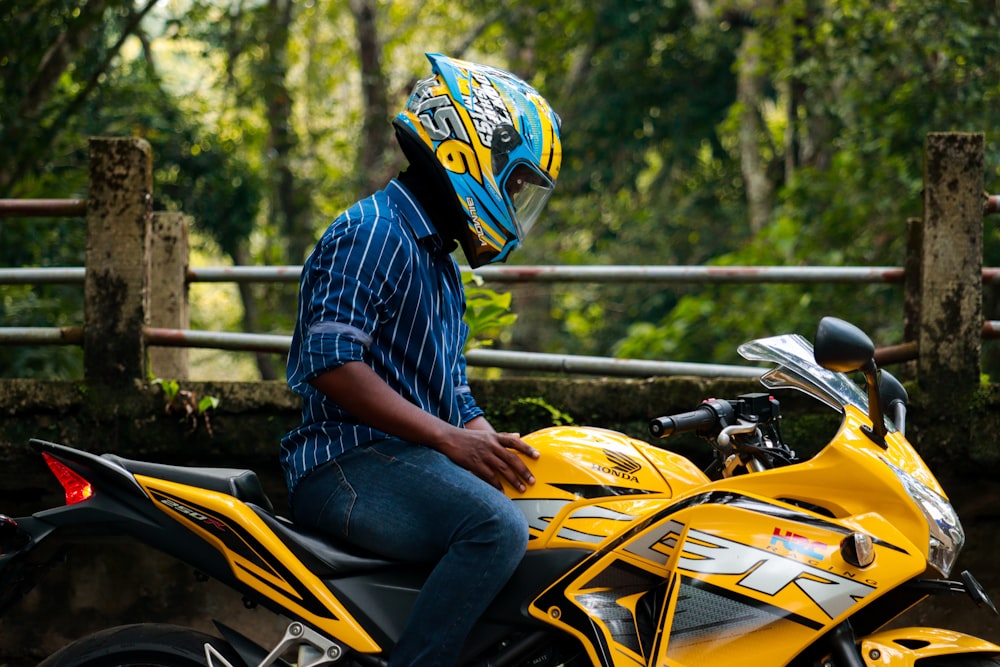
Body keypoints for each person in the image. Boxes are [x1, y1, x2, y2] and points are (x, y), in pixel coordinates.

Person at [281, 52, 562, 666]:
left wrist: (488, 443)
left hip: (402, 460)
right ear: (472, 154)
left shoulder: (436, 260)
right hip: (346, 463)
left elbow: (452, 393)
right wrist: (448, 440)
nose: (514, 201)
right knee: (495, 529)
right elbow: (331, 362)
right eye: (513, 183)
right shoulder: (374, 232)